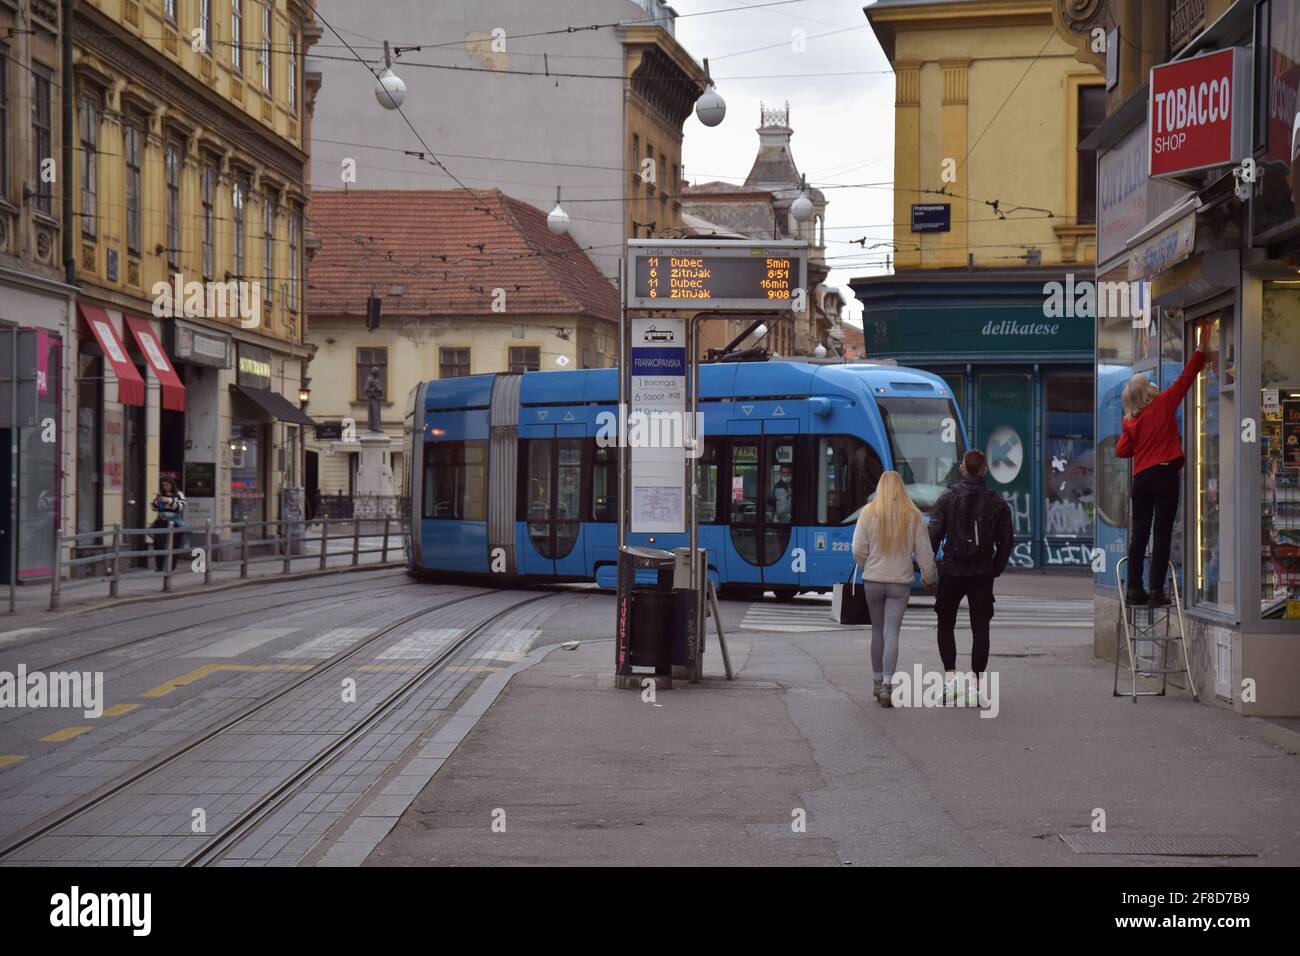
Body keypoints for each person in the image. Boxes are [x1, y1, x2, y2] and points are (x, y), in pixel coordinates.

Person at [1116, 328, 1209, 606]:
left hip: (1141, 478)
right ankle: (1157, 590)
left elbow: (1122, 450)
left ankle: (1134, 589)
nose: (1155, 384)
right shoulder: (1163, 404)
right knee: (1162, 532)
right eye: (1150, 382)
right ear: (1147, 391)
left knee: (1140, 533)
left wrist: (1137, 441)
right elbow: (1186, 379)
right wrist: (1201, 349)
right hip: (1165, 473)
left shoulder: (1130, 422)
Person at [928, 449, 1014, 706]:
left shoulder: (947, 497)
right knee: (980, 628)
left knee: (945, 623)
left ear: (963, 468)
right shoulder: (996, 501)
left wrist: (930, 567)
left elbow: (933, 534)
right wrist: (995, 568)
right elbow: (1007, 541)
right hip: (981, 573)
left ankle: (951, 679)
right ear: (985, 469)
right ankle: (976, 686)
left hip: (952, 569)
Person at [851, 470, 938, 708]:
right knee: (892, 633)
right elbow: (924, 552)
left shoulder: (868, 513)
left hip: (874, 580)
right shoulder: (912, 515)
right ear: (902, 489)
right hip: (900, 582)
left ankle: (877, 681)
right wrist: (930, 577)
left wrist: (865, 564)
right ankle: (888, 685)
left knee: (876, 631)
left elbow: (858, 548)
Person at [150, 477, 188, 572]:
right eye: (163, 485)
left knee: (174, 545)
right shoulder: (160, 494)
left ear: (172, 485)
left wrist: (170, 501)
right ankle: (159, 567)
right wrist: (156, 502)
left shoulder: (178, 494)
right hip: (161, 521)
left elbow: (182, 506)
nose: (165, 487)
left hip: (174, 521)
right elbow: (153, 508)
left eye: (167, 485)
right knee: (158, 544)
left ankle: (171, 567)